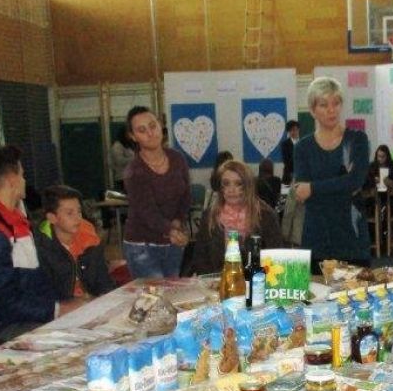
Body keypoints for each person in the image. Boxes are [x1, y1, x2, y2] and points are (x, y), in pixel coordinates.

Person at [0, 145, 73, 339]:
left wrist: (62, 305)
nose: (25, 181)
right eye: (22, 175)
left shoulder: (16, 221)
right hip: (9, 326)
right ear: (12, 180)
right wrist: (57, 309)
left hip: (33, 316)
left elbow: (35, 280)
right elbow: (3, 303)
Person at [292, 77, 371, 268]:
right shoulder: (302, 147)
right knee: (315, 287)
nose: (331, 110)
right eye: (323, 104)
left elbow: (355, 182)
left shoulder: (357, 140)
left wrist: (313, 188)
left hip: (352, 236)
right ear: (312, 110)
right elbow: (301, 192)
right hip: (316, 238)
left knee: (356, 286)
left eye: (336, 103)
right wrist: (340, 183)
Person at [122, 107, 192, 278]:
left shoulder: (177, 158)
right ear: (133, 136)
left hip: (173, 241)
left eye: (153, 126)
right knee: (155, 294)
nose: (150, 133)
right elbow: (147, 212)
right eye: (142, 130)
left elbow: (186, 195)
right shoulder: (134, 171)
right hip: (142, 246)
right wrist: (171, 231)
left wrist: (178, 222)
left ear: (161, 125)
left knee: (173, 291)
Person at [192, 160, 285, 274]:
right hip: (217, 281)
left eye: (238, 184)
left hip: (255, 281)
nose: (231, 190)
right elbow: (200, 258)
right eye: (226, 184)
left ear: (248, 186)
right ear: (221, 188)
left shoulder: (265, 215)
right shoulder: (210, 215)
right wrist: (216, 280)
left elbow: (276, 260)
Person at [34, 184, 116, 302]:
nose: (78, 218)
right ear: (52, 218)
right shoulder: (40, 248)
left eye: (79, 211)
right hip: (61, 309)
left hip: (92, 304)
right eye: (69, 213)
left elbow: (103, 281)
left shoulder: (90, 240)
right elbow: (42, 296)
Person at [110, 117, 137, 192]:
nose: (130, 135)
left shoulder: (129, 145)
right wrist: (135, 159)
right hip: (122, 177)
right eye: (128, 133)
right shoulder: (117, 146)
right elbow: (119, 161)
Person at [281, 119, 300, 185]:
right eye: (291, 130)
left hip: (302, 175)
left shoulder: (303, 142)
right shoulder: (285, 144)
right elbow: (286, 161)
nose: (293, 132)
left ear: (298, 130)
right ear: (288, 132)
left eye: (295, 129)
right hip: (289, 175)